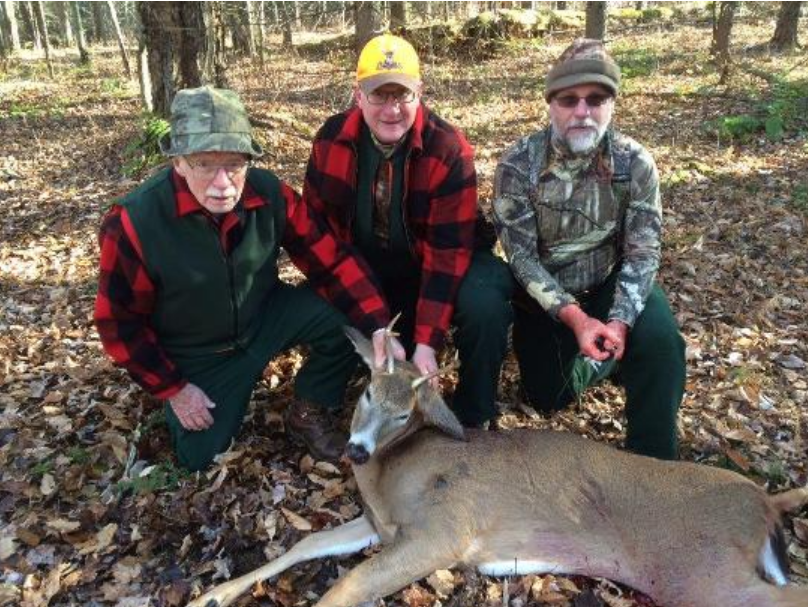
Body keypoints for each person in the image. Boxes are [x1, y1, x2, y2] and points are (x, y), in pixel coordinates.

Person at [95, 86, 402, 471]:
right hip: (199, 353)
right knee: (201, 457)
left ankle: (309, 407)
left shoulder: (268, 193)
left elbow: (331, 260)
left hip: (265, 319)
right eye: (204, 164)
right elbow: (118, 324)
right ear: (178, 162)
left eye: (235, 164)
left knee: (348, 316)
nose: (222, 182)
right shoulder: (134, 222)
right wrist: (174, 389)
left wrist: (377, 326)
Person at [303, 33, 513, 428]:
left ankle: (474, 413)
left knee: (485, 300)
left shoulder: (448, 148)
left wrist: (428, 341)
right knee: (318, 300)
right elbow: (320, 242)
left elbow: (448, 252)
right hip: (364, 268)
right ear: (358, 95)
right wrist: (374, 320)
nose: (391, 109)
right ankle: (317, 401)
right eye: (379, 96)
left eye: (402, 95)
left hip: (433, 266)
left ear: (420, 92)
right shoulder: (330, 140)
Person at [491, 39, 685, 460]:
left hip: (607, 283)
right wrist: (577, 320)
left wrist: (619, 322)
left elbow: (642, 253)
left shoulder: (635, 163)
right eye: (569, 99)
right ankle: (603, 360)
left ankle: (654, 464)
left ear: (612, 103)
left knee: (662, 343)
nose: (582, 111)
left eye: (596, 99)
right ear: (551, 104)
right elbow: (520, 258)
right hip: (545, 299)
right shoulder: (517, 165)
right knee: (547, 396)